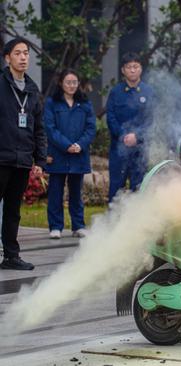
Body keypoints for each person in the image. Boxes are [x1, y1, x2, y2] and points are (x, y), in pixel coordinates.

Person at [0, 37, 47, 270]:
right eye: (18, 53)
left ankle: (10, 256)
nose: (23, 57)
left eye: (26, 53)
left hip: (21, 160)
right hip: (1, 158)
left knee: (12, 211)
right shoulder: (1, 84)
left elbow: (38, 128)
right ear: (7, 58)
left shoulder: (31, 88)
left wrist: (39, 160)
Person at [44, 69, 96, 239]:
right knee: (55, 192)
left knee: (76, 192)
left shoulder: (85, 104)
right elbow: (50, 129)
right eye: (68, 82)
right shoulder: (52, 103)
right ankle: (55, 226)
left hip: (79, 155)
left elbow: (90, 128)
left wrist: (80, 145)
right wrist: (67, 146)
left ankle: (78, 225)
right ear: (61, 83)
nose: (71, 85)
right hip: (58, 154)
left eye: (74, 82)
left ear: (78, 84)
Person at [106, 52, 153, 202]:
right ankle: (113, 223)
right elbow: (111, 117)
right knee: (116, 189)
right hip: (118, 149)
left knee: (138, 190)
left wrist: (137, 137)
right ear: (123, 70)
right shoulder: (115, 92)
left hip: (140, 149)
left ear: (141, 69)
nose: (132, 70)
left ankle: (137, 224)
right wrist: (123, 136)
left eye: (135, 66)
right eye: (129, 67)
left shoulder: (149, 92)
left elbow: (152, 120)